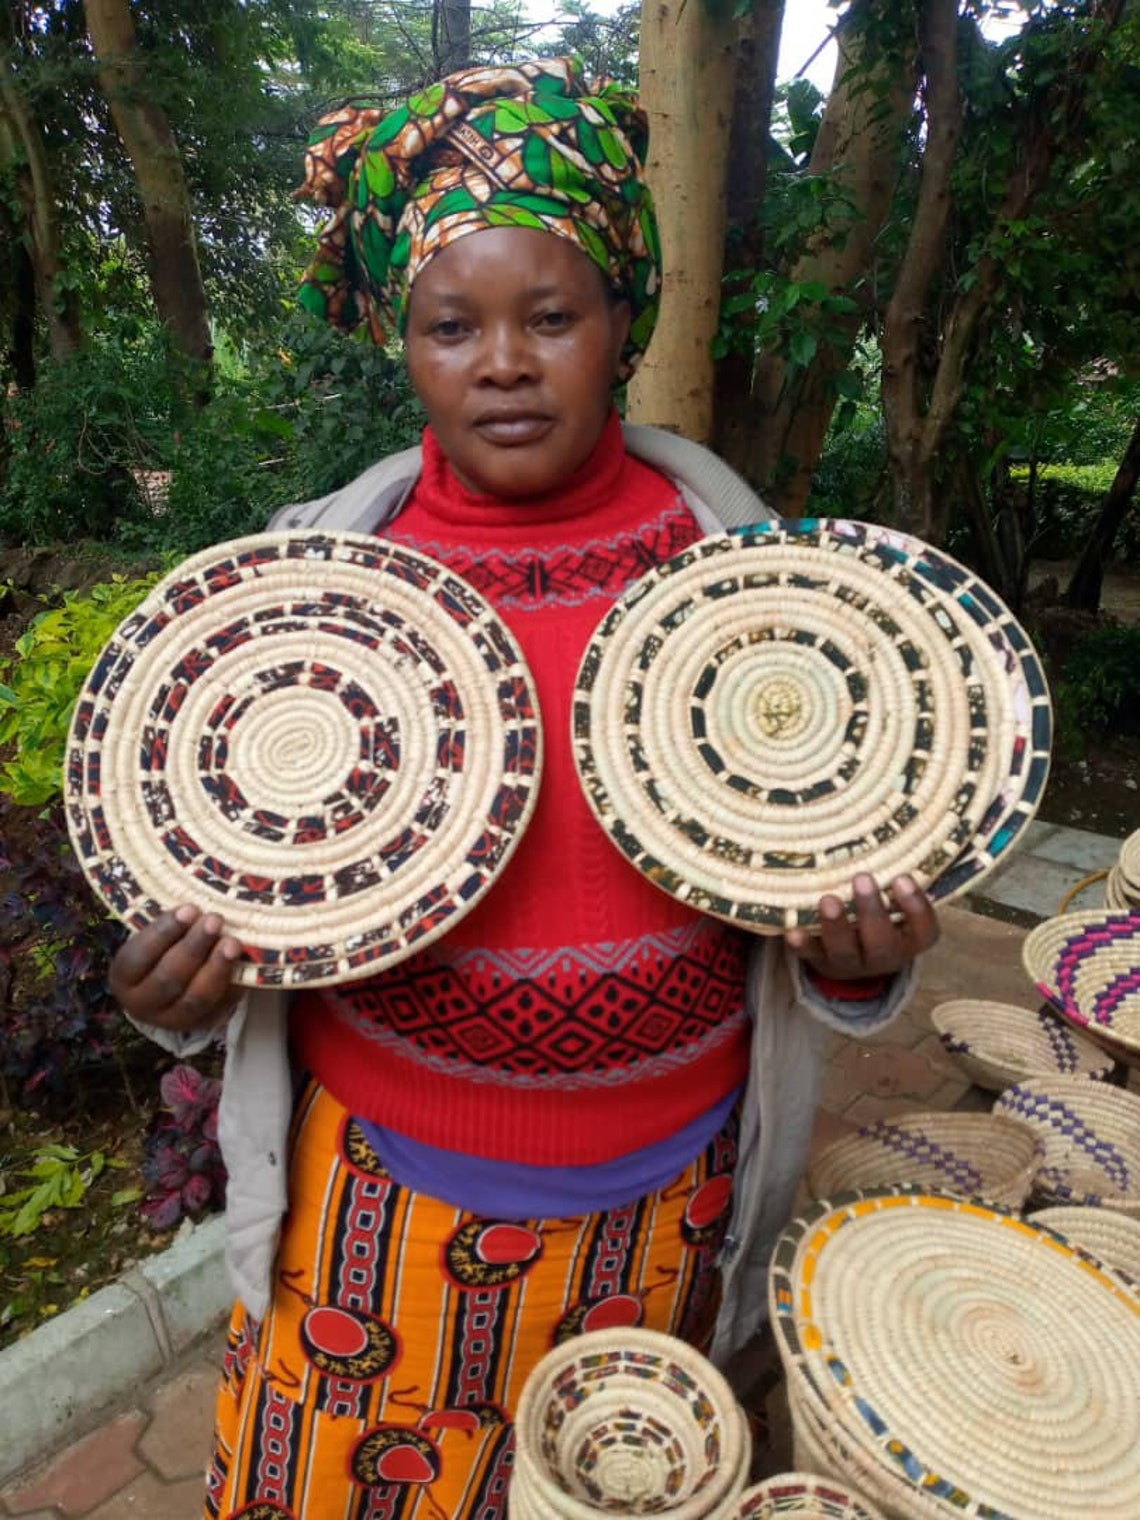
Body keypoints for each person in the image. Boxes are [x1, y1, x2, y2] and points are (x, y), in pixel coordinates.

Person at [109, 58, 939, 1519]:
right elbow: (236, 903)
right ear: (401, 344)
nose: (503, 359)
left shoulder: (756, 589)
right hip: (379, 1205)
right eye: (453, 325)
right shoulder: (306, 598)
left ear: (623, 323)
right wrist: (183, 997)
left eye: (551, 315)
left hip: (663, 1210)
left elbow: (834, 885)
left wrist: (857, 969)